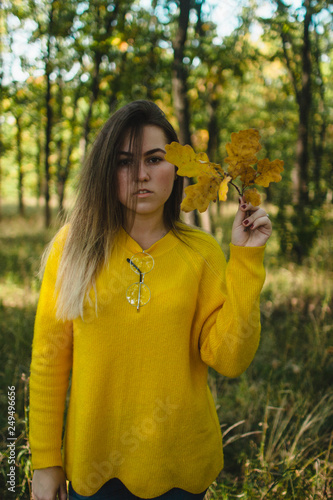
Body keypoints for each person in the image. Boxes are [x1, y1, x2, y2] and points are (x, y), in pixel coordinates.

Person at [30, 100, 271, 500]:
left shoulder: (202, 253)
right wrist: (44, 462)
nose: (140, 175)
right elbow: (47, 361)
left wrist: (245, 260)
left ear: (176, 167)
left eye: (154, 159)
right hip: (94, 467)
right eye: (124, 162)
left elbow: (230, 359)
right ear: (106, 170)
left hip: (181, 467)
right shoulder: (72, 248)